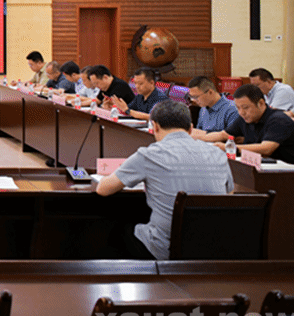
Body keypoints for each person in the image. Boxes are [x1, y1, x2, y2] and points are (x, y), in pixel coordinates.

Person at [96, 100, 234, 260]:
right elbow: (229, 194)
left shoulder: (149, 154)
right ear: (191, 128)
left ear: (154, 126)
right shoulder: (218, 154)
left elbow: (103, 189)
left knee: (117, 230)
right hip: (211, 247)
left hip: (166, 249)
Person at [197, 84, 294, 168]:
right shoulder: (245, 118)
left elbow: (266, 149)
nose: (241, 112)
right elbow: (223, 134)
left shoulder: (278, 119)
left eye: (245, 107)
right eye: (238, 108)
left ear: (261, 103)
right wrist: (195, 138)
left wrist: (231, 148)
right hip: (267, 168)